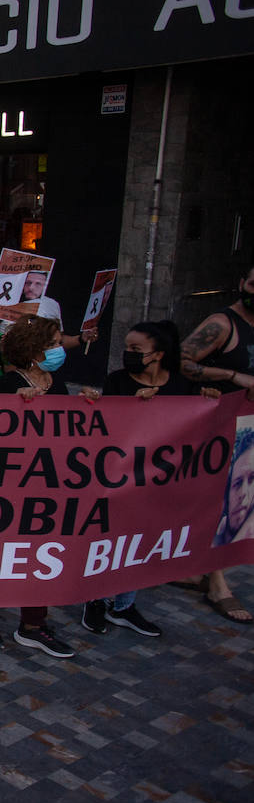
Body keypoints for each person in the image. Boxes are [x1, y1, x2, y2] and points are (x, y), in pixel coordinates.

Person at [82, 321, 221, 636]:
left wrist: (209, 400)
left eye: (136, 349)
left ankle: (124, 605)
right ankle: (94, 598)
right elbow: (109, 426)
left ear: (157, 354)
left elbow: (198, 428)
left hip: (157, 481)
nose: (128, 354)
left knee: (139, 540)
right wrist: (130, 405)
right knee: (109, 539)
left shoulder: (181, 385)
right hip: (119, 478)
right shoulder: (118, 381)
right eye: (127, 347)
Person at [0, 316, 75, 658]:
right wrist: (18, 403)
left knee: (40, 555)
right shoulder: (6, 385)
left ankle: (33, 624)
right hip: (9, 487)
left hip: (47, 485)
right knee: (3, 554)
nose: (60, 349)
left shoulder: (57, 384)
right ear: (34, 349)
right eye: (54, 343)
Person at [176, 265, 254, 622]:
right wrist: (231, 375)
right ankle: (217, 582)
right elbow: (182, 360)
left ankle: (199, 569)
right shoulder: (222, 324)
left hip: (248, 426)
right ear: (242, 283)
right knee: (222, 500)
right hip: (220, 425)